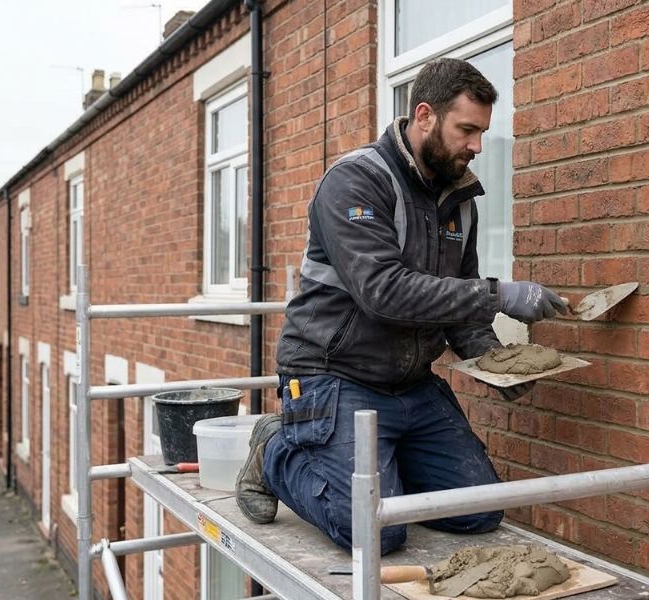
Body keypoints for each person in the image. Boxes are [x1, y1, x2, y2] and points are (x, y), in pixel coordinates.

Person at [235, 58, 567, 554]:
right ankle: (276, 448)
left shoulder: (460, 202)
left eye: (482, 133)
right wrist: (501, 294)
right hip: (334, 377)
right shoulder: (356, 181)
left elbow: (459, 300)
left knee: (479, 512)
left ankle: (378, 466)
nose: (477, 146)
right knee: (376, 533)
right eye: (467, 130)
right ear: (426, 116)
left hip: (410, 386)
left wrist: (497, 363)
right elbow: (383, 293)